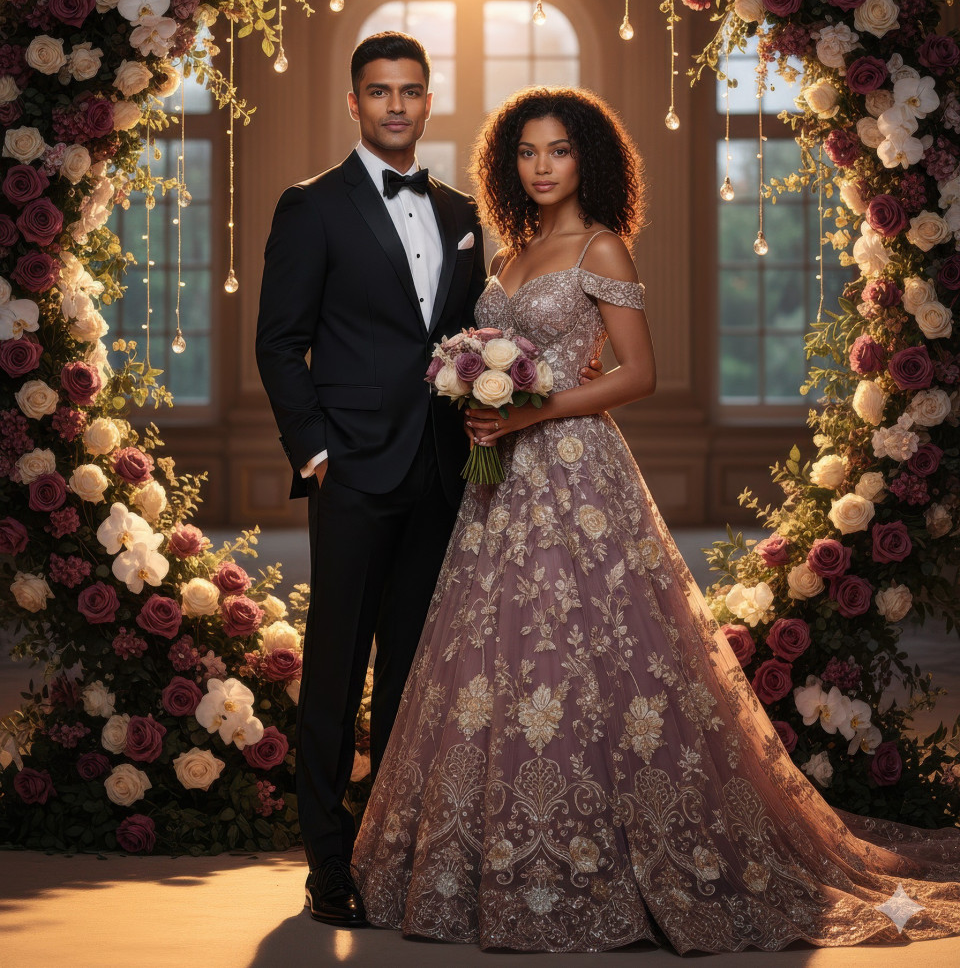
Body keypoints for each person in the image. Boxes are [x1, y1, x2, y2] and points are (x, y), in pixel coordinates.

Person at [351, 86, 960, 953]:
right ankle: (502, 857)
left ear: (586, 158)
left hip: (573, 474)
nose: (541, 166)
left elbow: (638, 376)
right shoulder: (512, 252)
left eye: (558, 150)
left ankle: (607, 855)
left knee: (596, 656)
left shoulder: (603, 246)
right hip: (499, 487)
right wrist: (478, 400)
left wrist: (525, 411)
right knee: (500, 654)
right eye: (525, 151)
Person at [256, 35, 605, 927]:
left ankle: (391, 849)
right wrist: (319, 453)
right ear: (355, 103)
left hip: (450, 474)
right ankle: (328, 866)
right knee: (335, 671)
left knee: (417, 673)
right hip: (355, 471)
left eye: (411, 92)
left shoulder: (458, 209)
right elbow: (279, 342)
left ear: (427, 100)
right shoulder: (311, 207)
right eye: (380, 93)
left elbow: (465, 337)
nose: (398, 107)